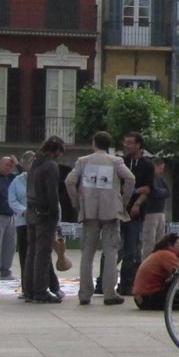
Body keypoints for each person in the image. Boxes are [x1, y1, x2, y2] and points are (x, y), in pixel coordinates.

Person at [65, 131, 134, 306]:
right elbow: (130, 178)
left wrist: (76, 202)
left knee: (87, 253)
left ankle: (84, 293)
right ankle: (109, 293)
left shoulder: (83, 161)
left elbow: (69, 181)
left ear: (94, 143)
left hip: (89, 210)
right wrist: (123, 201)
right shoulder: (115, 161)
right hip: (111, 210)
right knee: (111, 252)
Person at [24, 136, 64, 304]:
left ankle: (29, 290)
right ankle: (40, 291)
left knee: (31, 252)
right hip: (45, 213)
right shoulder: (50, 166)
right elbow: (52, 193)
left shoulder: (35, 163)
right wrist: (55, 214)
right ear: (57, 150)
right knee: (43, 255)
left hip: (32, 210)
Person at [118, 132, 154, 296]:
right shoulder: (121, 162)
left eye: (130, 143)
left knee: (131, 249)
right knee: (112, 248)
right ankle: (103, 282)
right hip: (118, 209)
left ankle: (126, 284)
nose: (127, 145)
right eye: (125, 142)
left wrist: (137, 202)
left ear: (138, 145)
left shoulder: (147, 165)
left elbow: (148, 188)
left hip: (135, 213)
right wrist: (135, 190)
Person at [132, 235, 179, 310]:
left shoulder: (158, 253)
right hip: (149, 297)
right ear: (170, 245)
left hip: (141, 298)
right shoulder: (167, 255)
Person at [8, 151, 34, 293]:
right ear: (24, 165)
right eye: (30, 163)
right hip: (23, 222)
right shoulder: (17, 181)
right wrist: (23, 210)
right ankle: (26, 288)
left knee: (39, 255)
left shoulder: (40, 179)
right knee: (24, 255)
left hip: (38, 221)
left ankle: (40, 285)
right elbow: (12, 200)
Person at [0, 155, 17, 279]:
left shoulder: (11, 178)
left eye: (11, 166)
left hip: (11, 215)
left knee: (10, 245)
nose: (9, 168)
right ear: (0, 164)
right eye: (7, 165)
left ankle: (6, 271)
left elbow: (25, 176)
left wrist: (17, 164)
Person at [140, 158, 169, 256]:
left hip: (160, 212)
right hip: (150, 213)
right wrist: (161, 192)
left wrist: (160, 192)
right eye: (160, 168)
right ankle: (147, 261)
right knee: (149, 241)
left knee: (160, 241)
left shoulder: (160, 179)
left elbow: (168, 192)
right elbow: (153, 192)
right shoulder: (149, 178)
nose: (162, 171)